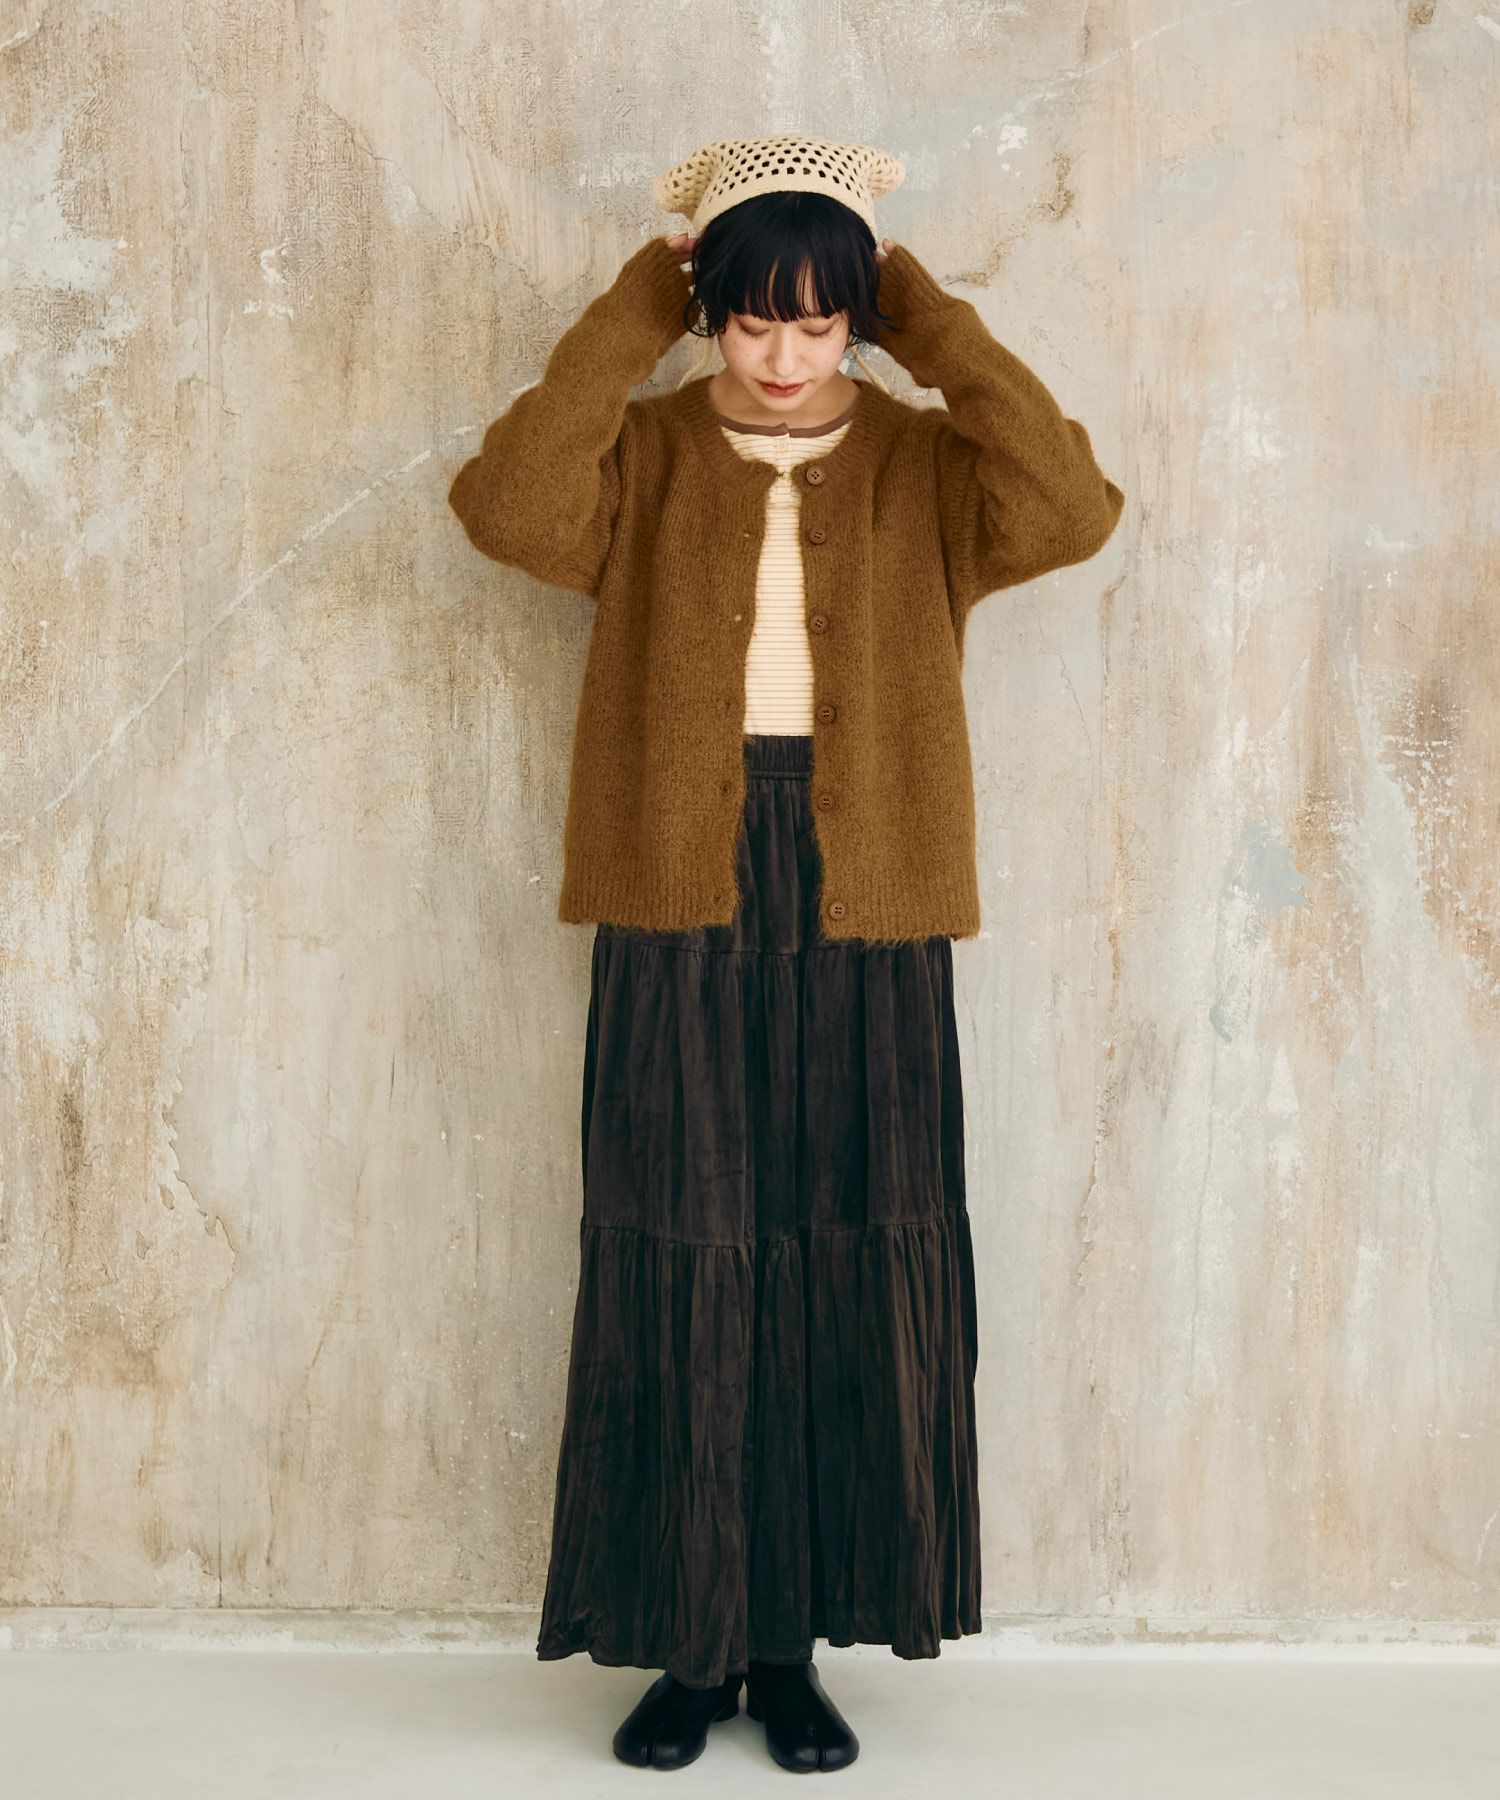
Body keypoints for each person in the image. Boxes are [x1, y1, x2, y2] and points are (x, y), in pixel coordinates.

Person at [448, 133, 1125, 1774]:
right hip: (677, 877)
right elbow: (506, 506)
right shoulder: (644, 453)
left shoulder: (924, 467)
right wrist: (634, 312)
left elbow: (1072, 506)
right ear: (710, 313)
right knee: (684, 1242)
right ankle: (691, 1642)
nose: (782, 356)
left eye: (821, 323)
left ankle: (793, 1644)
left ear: (860, 320)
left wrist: (931, 323)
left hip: (867, 885)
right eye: (753, 320)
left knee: (840, 1247)